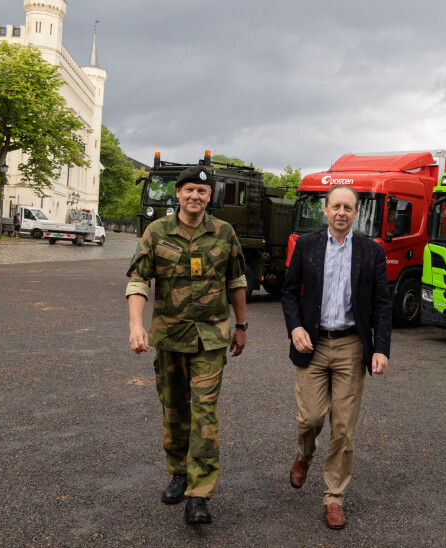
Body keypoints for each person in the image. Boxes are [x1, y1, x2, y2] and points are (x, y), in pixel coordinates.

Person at [125, 165, 248, 525]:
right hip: (169, 336)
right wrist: (136, 326)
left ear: (210, 198)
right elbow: (138, 279)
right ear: (178, 193)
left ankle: (199, 493)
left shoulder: (224, 233)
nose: (196, 196)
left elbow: (236, 279)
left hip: (211, 338)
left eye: (203, 192)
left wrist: (241, 326)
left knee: (204, 414)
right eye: (190, 190)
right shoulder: (156, 232)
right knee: (174, 408)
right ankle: (179, 471)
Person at [280, 184, 392, 530]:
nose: (341, 212)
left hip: (350, 347)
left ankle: (334, 497)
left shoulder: (371, 251)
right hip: (311, 344)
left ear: (356, 213)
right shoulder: (308, 245)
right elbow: (288, 292)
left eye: (348, 207)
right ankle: (305, 454)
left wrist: (380, 348)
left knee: (343, 428)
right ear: (325, 211)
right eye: (335, 206)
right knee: (310, 419)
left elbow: (382, 303)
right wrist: (295, 328)